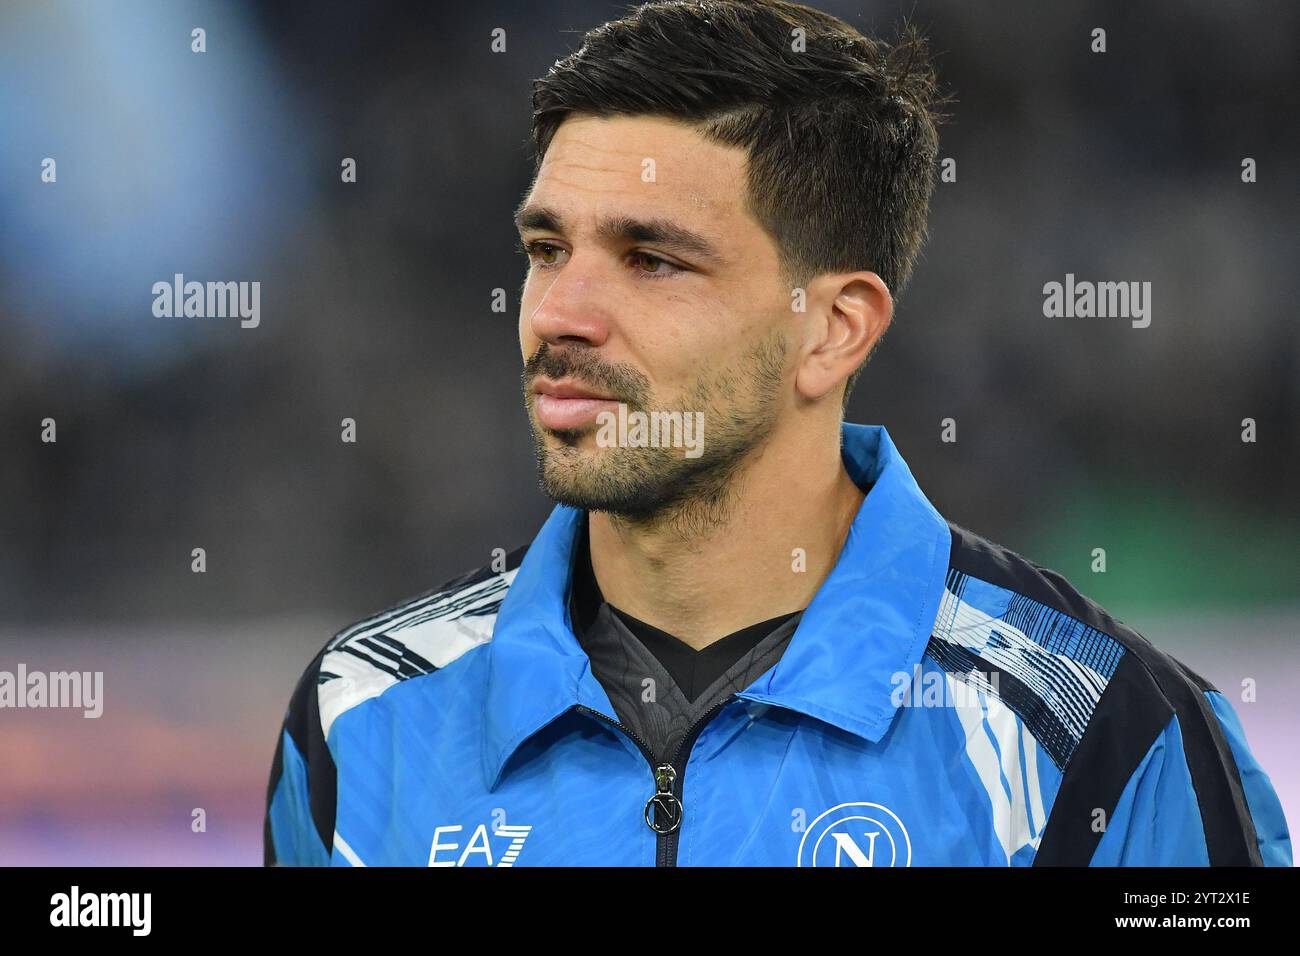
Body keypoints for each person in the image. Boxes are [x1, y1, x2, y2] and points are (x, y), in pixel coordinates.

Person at [264, 0, 1290, 867]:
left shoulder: (1106, 733)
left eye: (651, 259)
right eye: (547, 246)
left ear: (834, 329)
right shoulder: (362, 725)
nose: (558, 312)